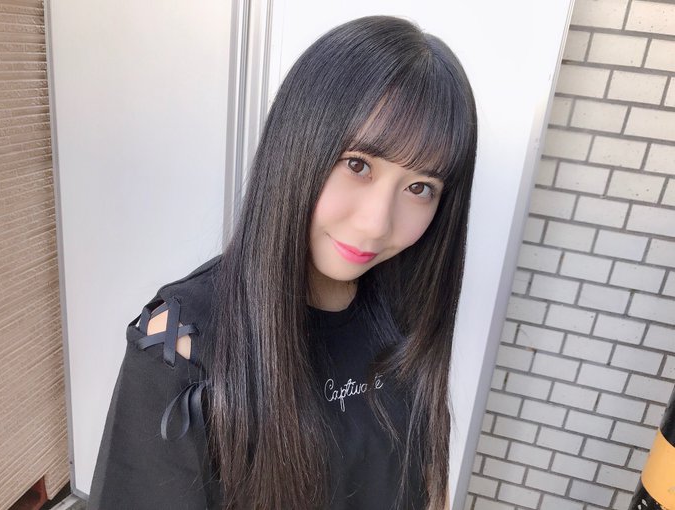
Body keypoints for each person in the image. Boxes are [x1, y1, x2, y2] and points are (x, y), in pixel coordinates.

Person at [88, 14, 477, 510]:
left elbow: (426, 479)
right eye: (357, 165)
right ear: (297, 144)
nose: (377, 224)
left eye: (420, 188)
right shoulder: (183, 346)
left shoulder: (405, 311)